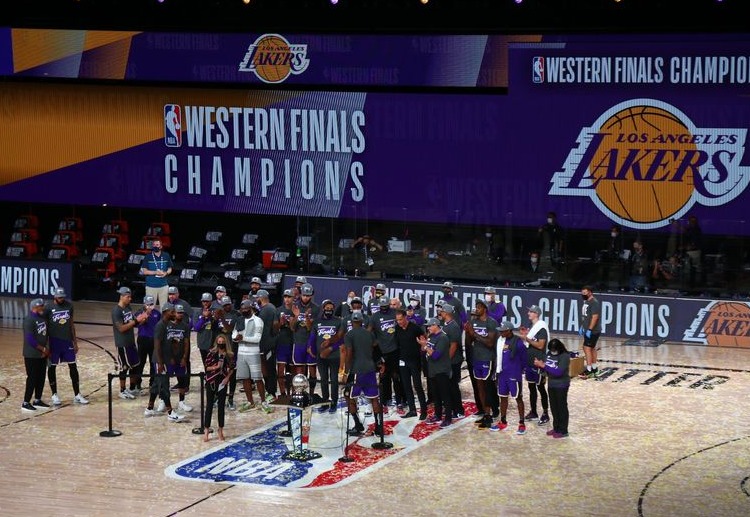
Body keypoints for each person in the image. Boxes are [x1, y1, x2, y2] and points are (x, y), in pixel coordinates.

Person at [340, 310, 383, 437]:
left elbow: (349, 353)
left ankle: (358, 424)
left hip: (356, 370)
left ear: (351, 321)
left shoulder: (349, 335)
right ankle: (378, 427)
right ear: (362, 321)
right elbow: (375, 347)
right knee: (374, 398)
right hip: (370, 368)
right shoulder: (369, 334)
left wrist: (346, 372)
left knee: (349, 396)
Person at [45, 287, 88, 405]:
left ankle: (77, 394)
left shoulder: (69, 306)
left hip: (67, 341)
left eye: (62, 297)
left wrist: (75, 342)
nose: (61, 299)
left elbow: (71, 324)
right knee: (52, 367)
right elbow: (45, 327)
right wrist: (46, 345)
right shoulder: (48, 308)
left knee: (73, 366)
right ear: (54, 297)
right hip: (53, 342)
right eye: (59, 297)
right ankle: (54, 394)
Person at [143, 302, 185, 422]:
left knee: (156, 385)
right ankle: (170, 412)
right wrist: (161, 363)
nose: (174, 314)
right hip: (160, 361)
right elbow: (157, 345)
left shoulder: (167, 325)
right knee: (164, 386)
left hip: (164, 360)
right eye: (172, 312)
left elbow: (166, 342)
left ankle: (149, 408)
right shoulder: (160, 326)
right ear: (166, 312)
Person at [233, 299, 273, 413]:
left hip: (253, 353)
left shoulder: (258, 321)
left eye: (246, 309)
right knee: (245, 378)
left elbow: (257, 338)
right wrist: (235, 338)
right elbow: (234, 334)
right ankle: (250, 402)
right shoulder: (239, 320)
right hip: (241, 353)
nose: (244, 311)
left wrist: (243, 338)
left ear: (251, 309)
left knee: (257, 378)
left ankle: (263, 401)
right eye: (242, 309)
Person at [464, 298, 498, 429]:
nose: (477, 309)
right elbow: (469, 342)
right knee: (480, 388)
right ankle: (485, 413)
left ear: (485, 309)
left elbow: (490, 343)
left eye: (479, 307)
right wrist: (468, 333)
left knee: (488, 387)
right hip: (476, 358)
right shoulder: (473, 322)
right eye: (476, 307)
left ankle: (490, 414)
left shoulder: (491, 322)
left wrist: (474, 334)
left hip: (488, 358)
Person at [490, 321, 528, 435]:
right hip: (502, 374)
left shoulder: (518, 342)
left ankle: (522, 423)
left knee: (518, 398)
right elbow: (498, 356)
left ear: (509, 331)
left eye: (503, 331)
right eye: (500, 331)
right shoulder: (500, 341)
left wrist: (518, 371)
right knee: (503, 397)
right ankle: (503, 421)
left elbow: (524, 359)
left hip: (514, 375)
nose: (501, 332)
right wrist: (496, 371)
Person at [369, 294, 405, 411]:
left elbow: (403, 324)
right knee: (383, 376)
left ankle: (399, 401)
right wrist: (373, 341)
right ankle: (384, 401)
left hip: (395, 350)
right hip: (382, 351)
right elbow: (369, 331)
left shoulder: (395, 313)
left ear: (389, 305)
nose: (384, 308)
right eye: (382, 306)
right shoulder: (375, 317)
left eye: (386, 306)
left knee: (396, 376)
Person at [111, 286, 146, 400]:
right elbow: (121, 328)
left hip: (131, 342)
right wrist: (136, 321)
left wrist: (141, 321)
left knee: (135, 365)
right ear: (121, 297)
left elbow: (132, 323)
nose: (130, 299)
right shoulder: (116, 311)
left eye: (130, 297)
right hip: (122, 343)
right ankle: (122, 390)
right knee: (124, 367)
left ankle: (132, 388)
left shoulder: (128, 308)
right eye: (128, 297)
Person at [417, 318, 453, 428]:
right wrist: (423, 344)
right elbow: (424, 351)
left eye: (429, 326)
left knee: (445, 395)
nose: (428, 328)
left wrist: (425, 345)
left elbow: (436, 355)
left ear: (436, 325)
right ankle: (438, 415)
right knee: (436, 395)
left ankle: (448, 418)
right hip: (432, 370)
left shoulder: (443, 338)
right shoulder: (431, 336)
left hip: (441, 370)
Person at [519, 305, 550, 426]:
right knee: (531, 387)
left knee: (541, 388)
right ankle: (533, 411)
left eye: (531, 312)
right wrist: (525, 334)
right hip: (530, 361)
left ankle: (545, 413)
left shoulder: (541, 327)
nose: (528, 314)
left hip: (538, 362)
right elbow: (530, 340)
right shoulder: (532, 327)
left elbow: (541, 345)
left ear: (536, 314)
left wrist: (527, 338)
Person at [534, 338, 570, 438]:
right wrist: (539, 365)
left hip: (561, 385)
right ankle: (556, 427)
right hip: (551, 384)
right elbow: (546, 366)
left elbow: (558, 372)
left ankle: (563, 430)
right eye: (551, 350)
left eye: (554, 350)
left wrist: (543, 366)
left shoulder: (565, 356)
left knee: (561, 407)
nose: (552, 351)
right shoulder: (549, 354)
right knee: (554, 407)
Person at [394, 309, 427, 420]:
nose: (399, 322)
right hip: (402, 361)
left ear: (405, 317)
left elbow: (423, 339)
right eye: (397, 320)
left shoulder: (415, 328)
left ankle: (423, 410)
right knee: (406, 385)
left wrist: (422, 349)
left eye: (400, 319)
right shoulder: (397, 328)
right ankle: (412, 410)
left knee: (417, 385)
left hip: (414, 360)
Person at [312, 299, 343, 413]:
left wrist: (331, 348)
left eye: (331, 308)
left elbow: (341, 339)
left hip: (334, 355)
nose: (329, 310)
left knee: (334, 379)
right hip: (321, 356)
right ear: (323, 308)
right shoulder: (317, 321)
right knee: (323, 379)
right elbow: (313, 337)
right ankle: (325, 402)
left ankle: (334, 402)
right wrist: (311, 348)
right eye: (327, 308)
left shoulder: (338, 321)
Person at [202, 334, 235, 441]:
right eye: (219, 342)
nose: (221, 344)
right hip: (211, 380)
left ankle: (220, 429)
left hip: (222, 381)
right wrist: (216, 367)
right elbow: (206, 367)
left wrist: (227, 378)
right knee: (209, 406)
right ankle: (206, 430)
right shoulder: (211, 353)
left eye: (222, 342)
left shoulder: (229, 355)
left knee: (221, 407)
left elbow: (232, 368)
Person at [22, 298, 51, 412]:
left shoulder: (41, 318)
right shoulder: (29, 320)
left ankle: (37, 399)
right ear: (36, 307)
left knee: (41, 377)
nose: (43, 308)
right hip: (31, 354)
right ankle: (26, 402)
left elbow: (45, 335)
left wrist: (45, 350)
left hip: (42, 354)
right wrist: (43, 349)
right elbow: (30, 339)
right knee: (32, 378)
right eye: (42, 306)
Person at [439, 303, 465, 419]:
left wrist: (447, 361)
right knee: (448, 386)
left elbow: (453, 346)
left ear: (446, 313)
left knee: (453, 386)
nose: (440, 313)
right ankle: (452, 408)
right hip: (448, 361)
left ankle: (458, 410)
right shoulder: (446, 325)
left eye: (442, 311)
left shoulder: (453, 326)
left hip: (453, 361)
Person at [133, 294, 160, 395]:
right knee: (141, 362)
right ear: (144, 304)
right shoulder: (139, 313)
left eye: (151, 304)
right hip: (143, 339)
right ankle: (137, 383)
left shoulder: (157, 313)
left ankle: (152, 383)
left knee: (153, 363)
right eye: (148, 304)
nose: (150, 306)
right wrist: (145, 315)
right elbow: (138, 323)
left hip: (153, 340)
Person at [256, 289, 278, 403]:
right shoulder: (266, 309)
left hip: (269, 344)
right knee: (265, 367)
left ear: (261, 298)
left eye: (257, 298)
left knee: (270, 368)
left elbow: (275, 326)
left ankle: (272, 392)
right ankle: (269, 390)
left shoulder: (269, 309)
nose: (256, 300)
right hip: (264, 344)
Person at [273, 288, 295, 401]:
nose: (287, 299)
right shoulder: (278, 310)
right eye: (285, 297)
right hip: (281, 343)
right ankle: (282, 393)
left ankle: (294, 392)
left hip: (293, 343)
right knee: (280, 370)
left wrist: (291, 322)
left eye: (289, 297)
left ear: (293, 298)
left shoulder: (296, 310)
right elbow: (274, 328)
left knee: (293, 370)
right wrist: (280, 324)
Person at [139, 239, 173, 306]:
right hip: (151, 286)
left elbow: (170, 268)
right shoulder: (148, 256)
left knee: (164, 307)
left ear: (161, 246)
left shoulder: (166, 255)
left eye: (157, 245)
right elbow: (144, 271)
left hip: (164, 286)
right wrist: (155, 272)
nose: (155, 246)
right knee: (150, 307)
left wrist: (166, 273)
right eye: (154, 245)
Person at [579, 285, 602, 379]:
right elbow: (586, 316)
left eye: (585, 293)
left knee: (586, 348)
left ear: (590, 292)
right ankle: (594, 368)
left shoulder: (594, 303)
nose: (583, 295)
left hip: (593, 330)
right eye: (582, 293)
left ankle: (589, 370)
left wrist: (589, 329)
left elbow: (595, 317)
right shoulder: (586, 302)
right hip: (588, 329)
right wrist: (582, 326)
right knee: (592, 348)